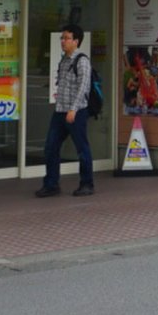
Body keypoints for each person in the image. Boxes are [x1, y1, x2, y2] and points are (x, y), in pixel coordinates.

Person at [36, 28, 94, 198]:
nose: (63, 41)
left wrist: (73, 109)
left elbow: (83, 87)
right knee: (51, 147)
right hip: (60, 111)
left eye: (67, 38)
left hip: (75, 112)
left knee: (82, 148)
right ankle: (51, 184)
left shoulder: (82, 61)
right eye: (62, 38)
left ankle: (87, 183)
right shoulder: (64, 61)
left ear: (76, 41)